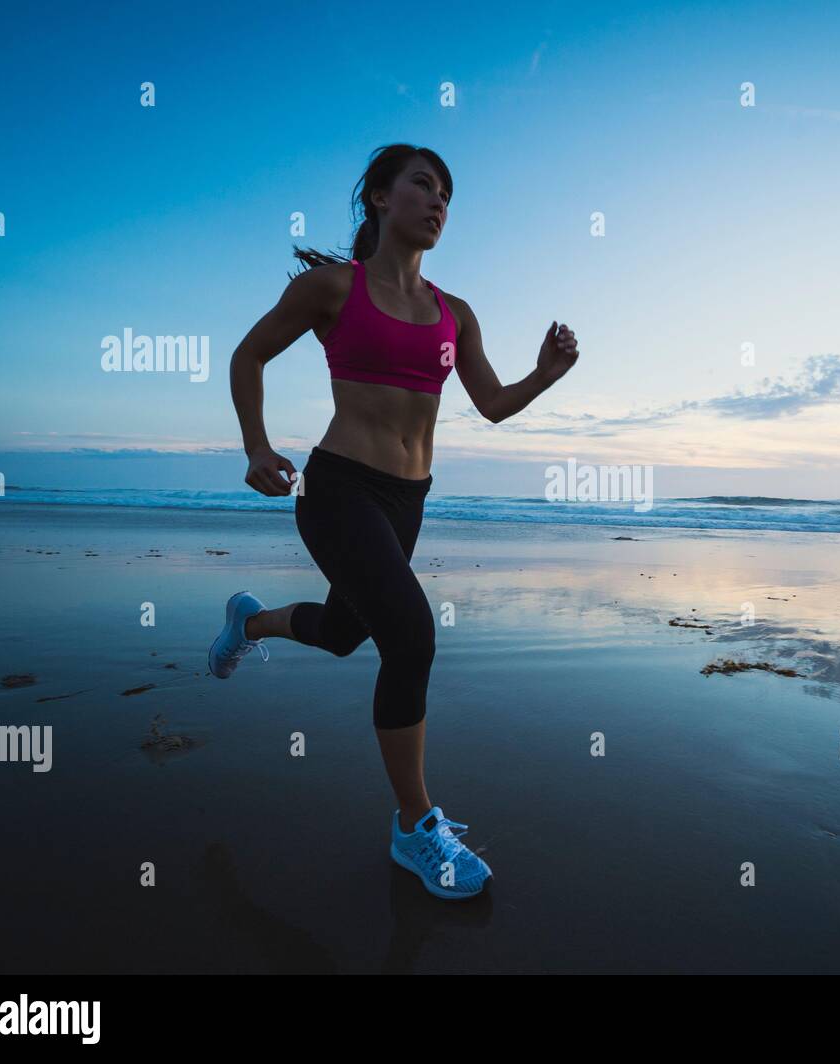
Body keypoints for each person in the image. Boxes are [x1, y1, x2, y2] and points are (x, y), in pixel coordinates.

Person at [207, 144, 579, 899]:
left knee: (348, 634)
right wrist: (255, 446)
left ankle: (247, 623)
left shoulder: (455, 313)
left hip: (408, 499)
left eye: (447, 194)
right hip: (337, 489)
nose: (438, 202)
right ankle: (414, 827)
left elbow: (493, 404)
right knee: (411, 636)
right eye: (422, 185)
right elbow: (248, 356)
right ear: (379, 197)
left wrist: (545, 374)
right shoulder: (333, 288)